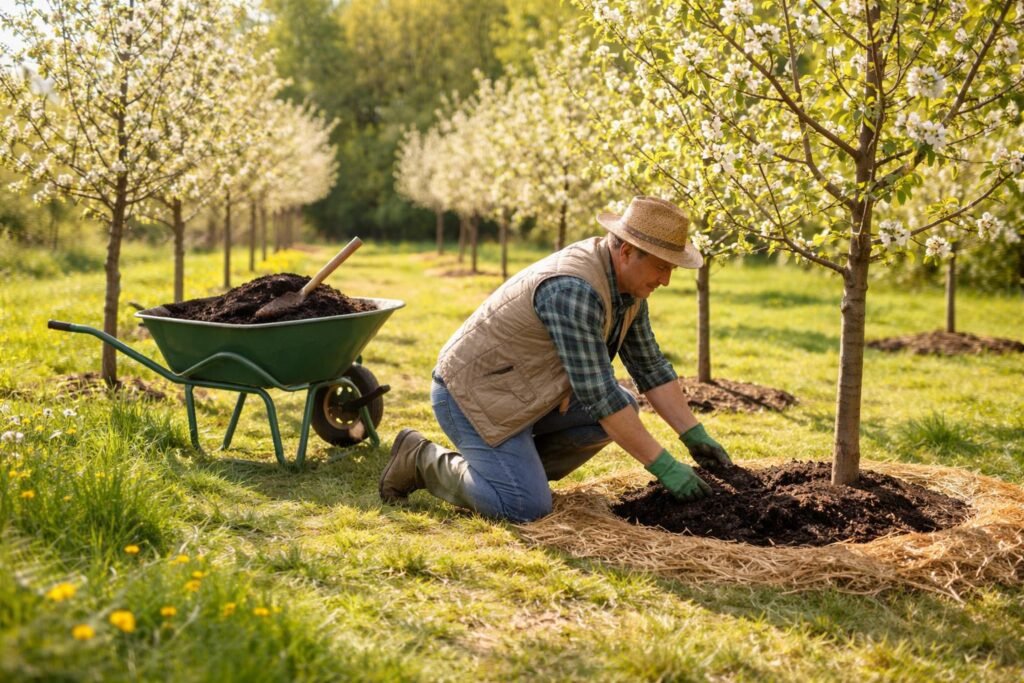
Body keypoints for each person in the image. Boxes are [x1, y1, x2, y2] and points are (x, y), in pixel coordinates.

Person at [380, 196, 732, 522]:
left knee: (625, 405)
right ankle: (423, 459)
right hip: (474, 395)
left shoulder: (628, 289)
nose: (666, 280)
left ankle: (510, 472)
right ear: (626, 251)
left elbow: (650, 367)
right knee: (524, 506)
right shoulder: (573, 290)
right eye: (661, 267)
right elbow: (598, 396)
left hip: (523, 392)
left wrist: (693, 434)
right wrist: (665, 466)